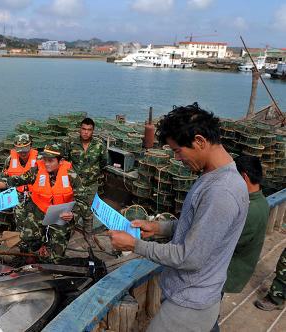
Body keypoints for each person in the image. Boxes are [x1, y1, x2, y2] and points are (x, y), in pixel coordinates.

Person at [108, 103, 249, 332]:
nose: (177, 159)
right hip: (196, 295)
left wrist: (134, 244)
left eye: (177, 150)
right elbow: (197, 225)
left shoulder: (221, 192)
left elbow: (189, 258)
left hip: (190, 304)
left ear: (200, 141)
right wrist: (158, 228)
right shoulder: (211, 175)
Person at [0, 143, 89, 263]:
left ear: (61, 161)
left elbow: (83, 200)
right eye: (45, 160)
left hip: (61, 214)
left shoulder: (71, 175)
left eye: (51, 161)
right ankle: (34, 253)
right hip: (38, 210)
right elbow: (16, 180)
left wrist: (73, 214)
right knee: (27, 237)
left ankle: (51, 260)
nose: (46, 164)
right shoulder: (37, 170)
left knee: (57, 255)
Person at [211, 155, 270, 331]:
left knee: (209, 314)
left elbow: (224, 242)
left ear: (243, 177)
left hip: (227, 270)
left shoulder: (250, 210)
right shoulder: (260, 201)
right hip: (231, 266)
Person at [63, 117, 107, 243]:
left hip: (91, 184)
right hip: (74, 184)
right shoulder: (72, 144)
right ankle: (69, 232)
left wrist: (94, 174)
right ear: (79, 129)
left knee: (88, 211)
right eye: (83, 129)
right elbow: (66, 162)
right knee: (71, 209)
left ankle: (88, 235)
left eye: (89, 130)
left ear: (93, 131)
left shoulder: (99, 145)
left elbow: (104, 162)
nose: (86, 132)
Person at [3, 133, 39, 233]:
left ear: (30, 146)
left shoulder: (39, 159)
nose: (23, 152)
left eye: (25, 149)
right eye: (19, 150)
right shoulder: (9, 160)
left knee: (35, 222)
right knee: (19, 220)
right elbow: (4, 176)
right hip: (17, 195)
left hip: (35, 195)